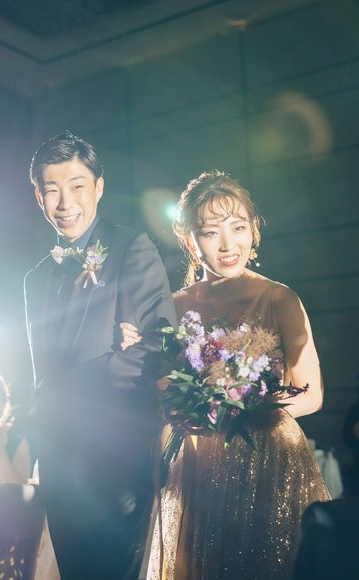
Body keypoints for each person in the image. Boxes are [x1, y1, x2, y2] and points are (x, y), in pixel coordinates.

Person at [120, 170, 329, 579]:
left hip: (269, 459)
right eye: (211, 232)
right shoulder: (173, 307)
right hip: (198, 464)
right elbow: (162, 391)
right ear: (190, 241)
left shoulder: (279, 298)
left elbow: (312, 394)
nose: (228, 244)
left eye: (238, 228)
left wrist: (242, 404)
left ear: (254, 230)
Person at [24, 131, 176, 579]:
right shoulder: (35, 279)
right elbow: (39, 375)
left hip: (116, 460)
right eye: (52, 190)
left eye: (77, 186)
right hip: (57, 463)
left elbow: (160, 345)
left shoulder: (131, 247)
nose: (65, 202)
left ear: (99, 187)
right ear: (38, 196)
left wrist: (72, 389)